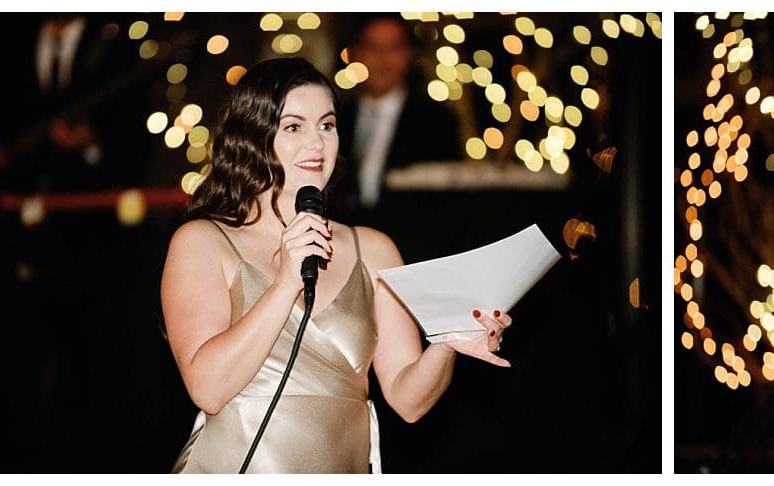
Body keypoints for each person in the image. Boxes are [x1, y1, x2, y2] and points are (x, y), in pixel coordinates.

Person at [160, 57, 513, 474]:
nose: (317, 143)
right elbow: (208, 389)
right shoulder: (204, 240)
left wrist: (447, 343)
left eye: (327, 125)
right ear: (253, 136)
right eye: (294, 127)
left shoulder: (373, 248)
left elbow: (409, 400)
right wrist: (285, 283)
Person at [331, 15, 462, 220]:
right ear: (356, 54)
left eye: (394, 47)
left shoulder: (437, 121)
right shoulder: (337, 117)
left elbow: (446, 200)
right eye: (373, 48)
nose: (383, 58)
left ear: (408, 53)